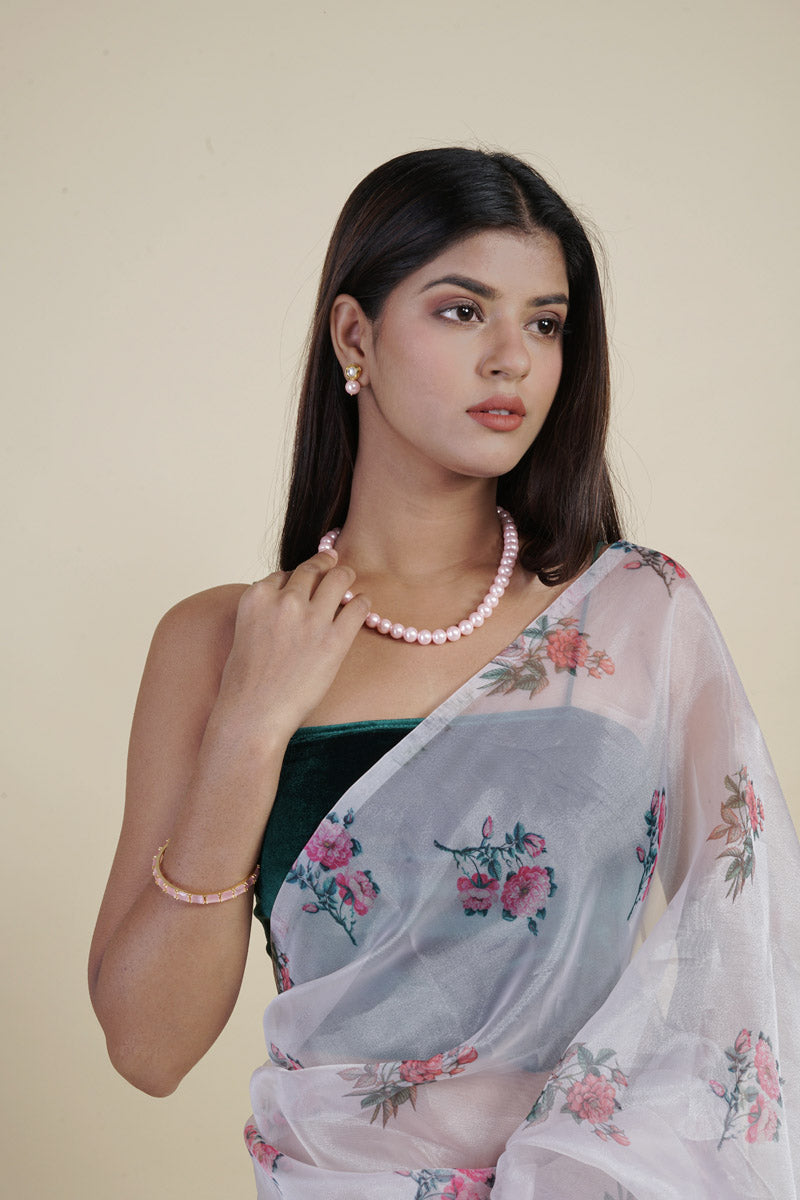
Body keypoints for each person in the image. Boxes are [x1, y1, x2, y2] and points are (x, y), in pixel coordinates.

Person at [89, 148, 799, 1199]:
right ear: (354, 336)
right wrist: (250, 728)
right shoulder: (219, 641)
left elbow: (748, 971)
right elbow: (148, 1048)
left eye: (545, 324)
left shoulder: (633, 615)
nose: (511, 359)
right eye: (462, 312)